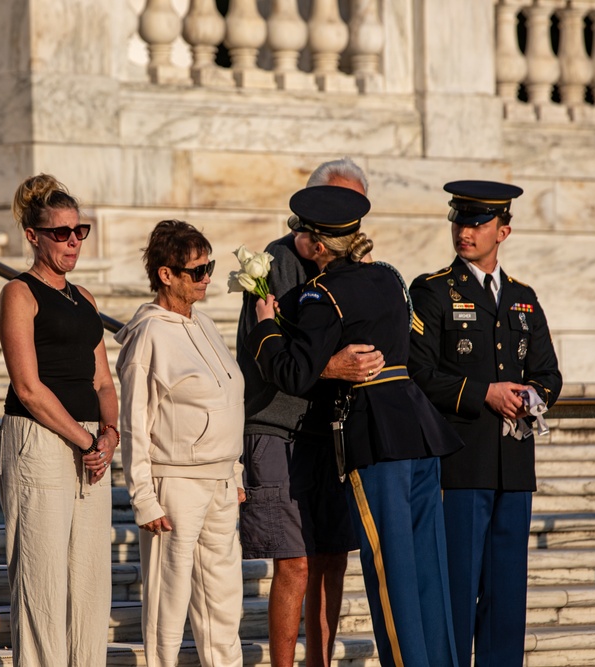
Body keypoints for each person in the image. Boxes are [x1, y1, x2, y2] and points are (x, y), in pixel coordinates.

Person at [245, 185, 464, 667]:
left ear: (318, 247)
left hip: (376, 436)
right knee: (430, 569)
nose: (296, 237)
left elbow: (295, 372)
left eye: (301, 232)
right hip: (419, 432)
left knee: (393, 575)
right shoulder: (388, 277)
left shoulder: (322, 295)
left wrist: (266, 325)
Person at [235, 157, 385, 667]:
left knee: (332, 561)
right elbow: (257, 350)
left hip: (331, 430)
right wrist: (330, 367)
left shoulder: (353, 269)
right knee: (295, 562)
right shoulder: (272, 267)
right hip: (276, 426)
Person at [408, 181, 562, 667]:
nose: (464, 231)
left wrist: (532, 396)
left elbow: (549, 374)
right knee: (456, 592)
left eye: (477, 223)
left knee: (506, 601)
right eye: (459, 220)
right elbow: (419, 373)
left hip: (513, 467)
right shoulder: (431, 290)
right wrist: (484, 394)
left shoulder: (523, 297)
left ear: (504, 231)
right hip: (461, 463)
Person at [0, 174, 117, 666]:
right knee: (41, 583)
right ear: (33, 235)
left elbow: (104, 382)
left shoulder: (84, 298)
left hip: (90, 443)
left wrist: (109, 434)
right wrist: (86, 439)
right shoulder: (18, 294)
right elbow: (27, 387)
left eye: (79, 231)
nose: (72, 241)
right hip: (38, 441)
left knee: (89, 580)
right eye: (61, 232)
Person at [115, 220, 245, 667]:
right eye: (196, 270)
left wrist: (236, 471)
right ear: (166, 274)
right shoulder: (148, 334)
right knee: (167, 601)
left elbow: (228, 399)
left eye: (209, 266)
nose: (207, 277)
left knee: (224, 600)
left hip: (221, 484)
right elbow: (133, 421)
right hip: (176, 484)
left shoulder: (205, 323)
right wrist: (144, 498)